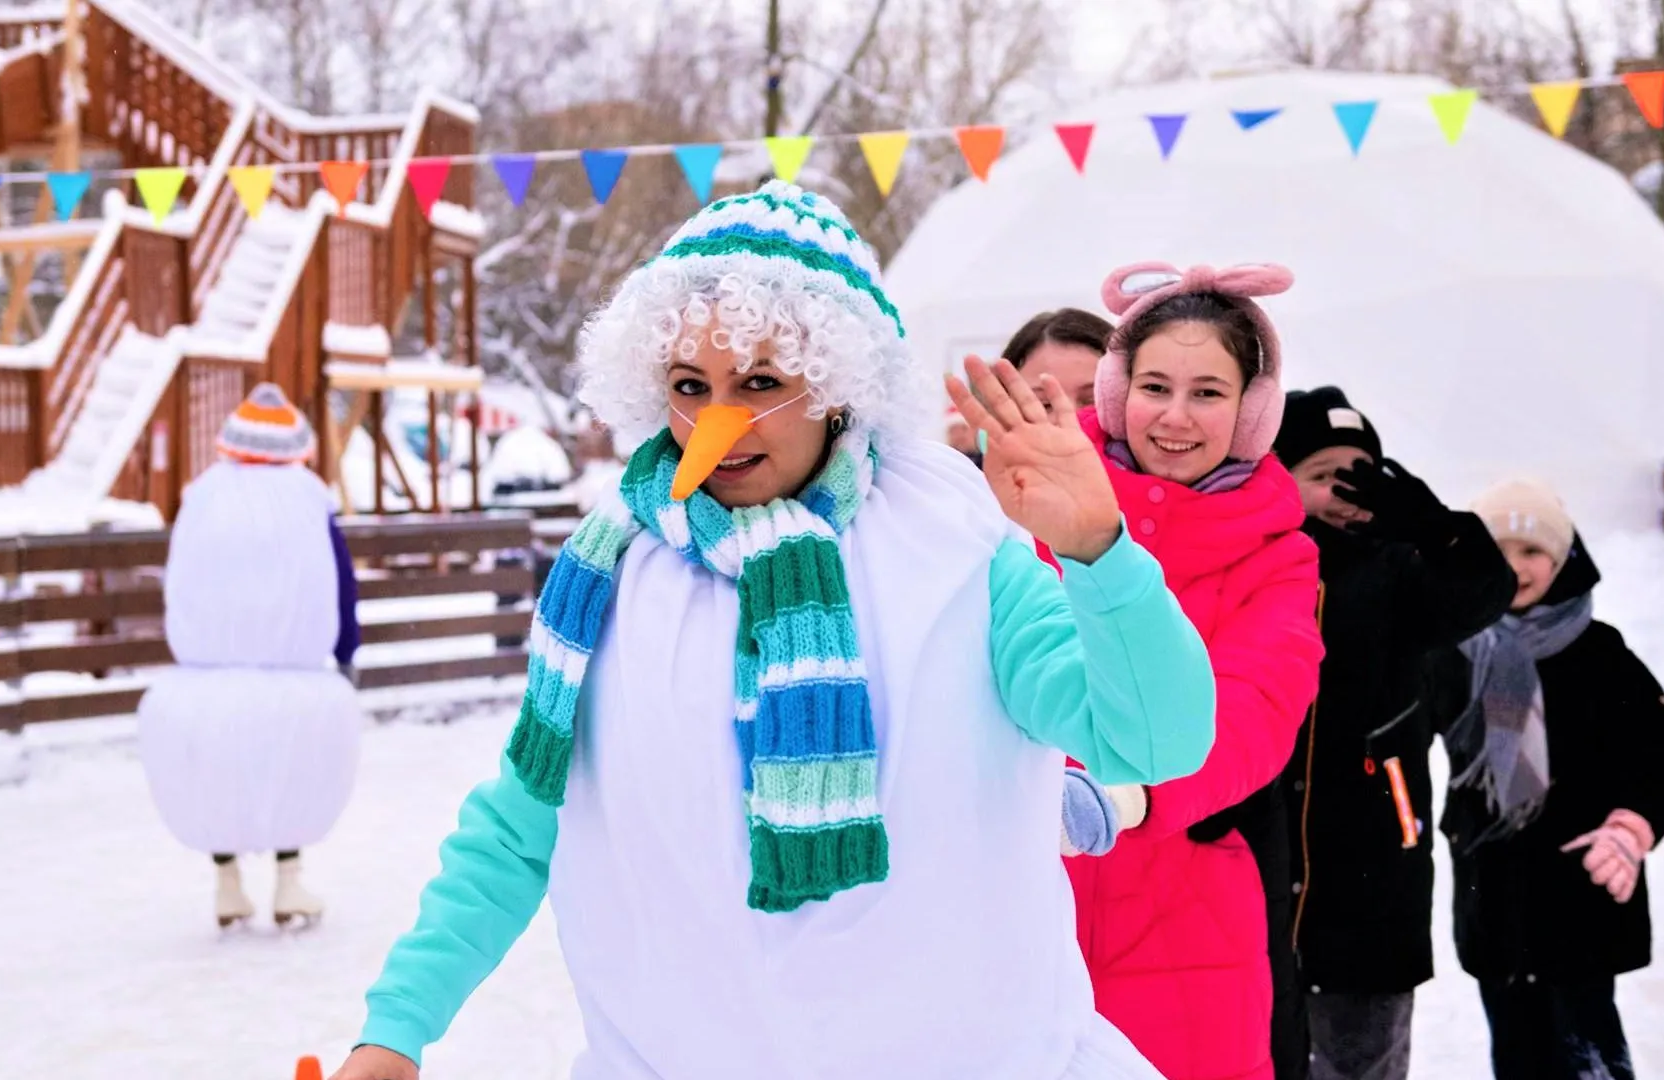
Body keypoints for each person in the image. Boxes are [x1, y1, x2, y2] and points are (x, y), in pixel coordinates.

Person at [329, 181, 1219, 1080]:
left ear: (836, 388)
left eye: (761, 382)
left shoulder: (959, 550)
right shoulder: (604, 575)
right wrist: (398, 1025)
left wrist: (1100, 551)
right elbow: (522, 827)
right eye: (690, 385)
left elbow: (1154, 736)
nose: (721, 420)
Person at [1055, 262, 1324, 1080]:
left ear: (1251, 410)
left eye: (1208, 392)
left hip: (1187, 915)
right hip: (1024, 893)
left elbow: (1258, 703)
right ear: (1115, 391)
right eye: (1155, 386)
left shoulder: (1278, 552)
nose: (1175, 417)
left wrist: (1134, 793)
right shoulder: (1042, 501)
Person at [1269, 386, 1517, 1080]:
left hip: (1373, 886)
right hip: (1263, 877)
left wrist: (1438, 528)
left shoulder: (1405, 572)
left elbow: (1482, 591)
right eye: (1323, 477)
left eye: (1364, 475)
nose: (1347, 494)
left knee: (1362, 1061)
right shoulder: (1260, 569)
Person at [1429, 479, 1664, 1080]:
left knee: (1587, 1049)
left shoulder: (1601, 653)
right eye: (1499, 552)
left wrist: (1632, 826)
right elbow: (1399, 727)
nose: (1517, 568)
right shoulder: (1454, 652)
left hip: (1580, 887)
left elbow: (1660, 751)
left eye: (1532, 551)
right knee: (1515, 1052)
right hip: (1492, 890)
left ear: (1562, 557)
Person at [136, 383, 363, 929]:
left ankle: (228, 885)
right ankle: (288, 882)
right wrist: (346, 648)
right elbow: (341, 582)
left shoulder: (203, 495)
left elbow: (182, 579)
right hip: (297, 673)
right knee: (290, 770)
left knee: (220, 775)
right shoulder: (309, 498)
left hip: (206, 675)